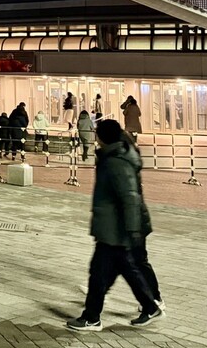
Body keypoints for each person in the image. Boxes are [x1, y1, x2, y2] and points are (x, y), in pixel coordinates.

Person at [67, 119, 163, 332]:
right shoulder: (113, 156)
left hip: (115, 229)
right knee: (124, 269)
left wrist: (133, 229)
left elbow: (129, 197)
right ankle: (149, 305)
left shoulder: (116, 162)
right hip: (114, 228)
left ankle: (92, 317)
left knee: (100, 273)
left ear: (100, 137)